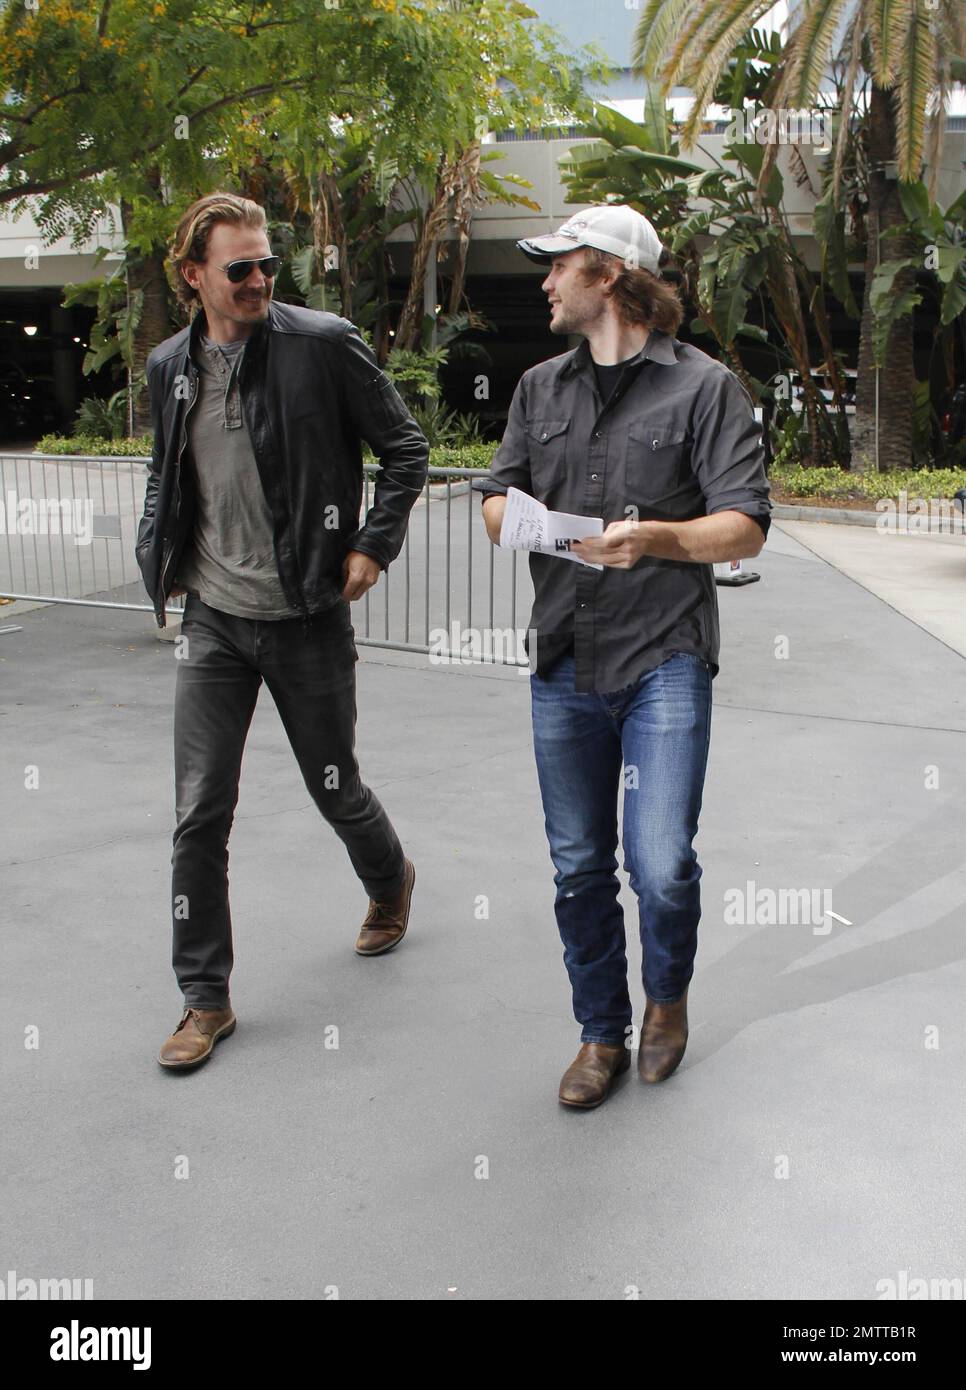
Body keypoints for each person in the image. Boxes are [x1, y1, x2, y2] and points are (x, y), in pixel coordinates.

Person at [478, 205, 772, 1108]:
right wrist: (527, 524)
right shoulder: (538, 388)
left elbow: (746, 525)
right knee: (577, 864)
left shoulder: (705, 388)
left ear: (606, 274)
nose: (545, 283)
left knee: (660, 863)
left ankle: (667, 998)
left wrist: (655, 540)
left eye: (557, 266)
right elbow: (498, 495)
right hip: (564, 655)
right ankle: (599, 1032)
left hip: (663, 657)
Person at [136, 192, 428, 1070]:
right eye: (240, 268)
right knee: (199, 813)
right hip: (214, 621)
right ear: (195, 278)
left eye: (268, 264)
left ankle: (389, 881)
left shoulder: (322, 346)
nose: (260, 278)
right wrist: (161, 558)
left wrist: (373, 546)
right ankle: (204, 999)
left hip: (306, 615)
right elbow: (169, 475)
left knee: (335, 787)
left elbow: (405, 450)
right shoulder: (167, 367)